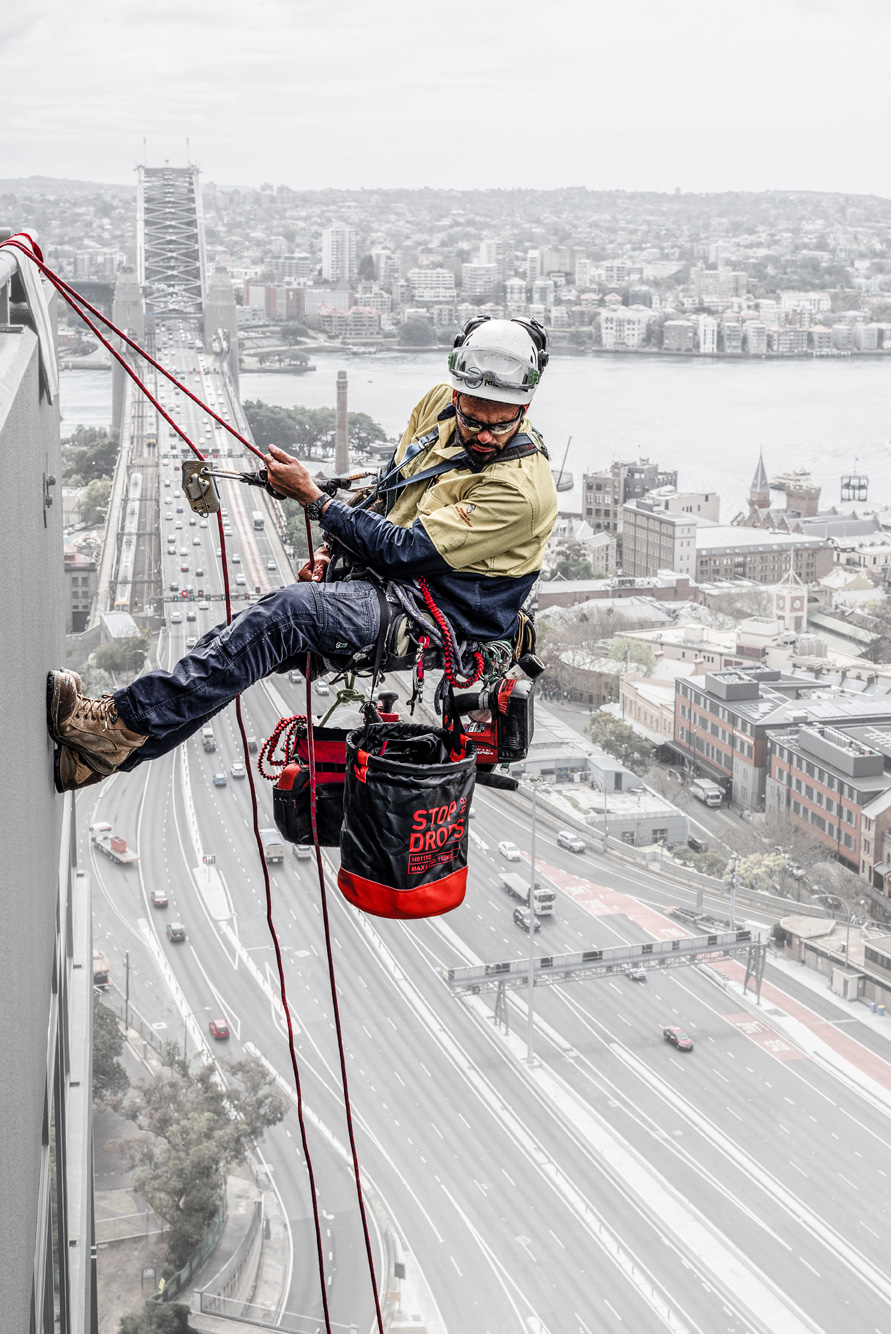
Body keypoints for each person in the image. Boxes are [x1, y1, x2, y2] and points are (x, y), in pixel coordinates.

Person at [47, 317, 558, 791]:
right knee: (234, 648)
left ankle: (118, 721)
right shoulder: (438, 409)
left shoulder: (520, 490)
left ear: (525, 409)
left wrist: (313, 498)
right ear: (457, 395)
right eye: (473, 420)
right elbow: (390, 490)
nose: (484, 435)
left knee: (283, 617)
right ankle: (96, 760)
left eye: (500, 423)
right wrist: (337, 551)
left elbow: (404, 550)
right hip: (389, 587)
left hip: (432, 615)